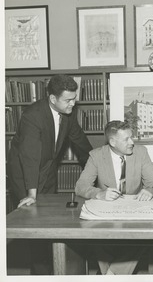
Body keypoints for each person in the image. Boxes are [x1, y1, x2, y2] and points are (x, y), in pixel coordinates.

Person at [7, 74, 92, 274]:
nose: (73, 103)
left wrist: (99, 168)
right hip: (24, 172)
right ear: (53, 99)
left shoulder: (68, 113)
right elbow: (30, 158)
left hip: (48, 168)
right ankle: (41, 273)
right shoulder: (32, 116)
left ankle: (56, 266)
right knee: (34, 222)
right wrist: (31, 194)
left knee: (49, 221)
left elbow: (80, 143)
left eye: (74, 98)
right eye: (68, 100)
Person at [75, 120, 153, 275]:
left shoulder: (141, 152)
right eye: (126, 139)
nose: (132, 142)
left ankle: (111, 274)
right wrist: (99, 194)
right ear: (112, 142)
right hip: (107, 213)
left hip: (134, 211)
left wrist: (150, 190)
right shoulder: (96, 155)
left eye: (131, 137)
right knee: (97, 237)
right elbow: (80, 187)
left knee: (143, 236)